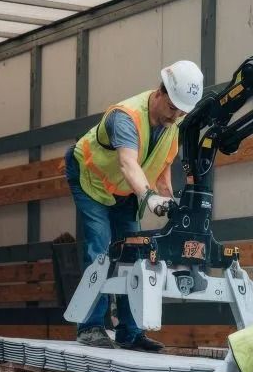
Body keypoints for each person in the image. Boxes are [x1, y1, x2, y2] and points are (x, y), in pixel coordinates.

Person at [66, 60, 204, 352]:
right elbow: (128, 164)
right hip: (92, 180)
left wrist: (173, 206)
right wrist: (149, 197)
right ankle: (90, 327)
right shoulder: (126, 117)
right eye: (172, 108)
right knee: (101, 249)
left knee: (135, 253)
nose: (176, 116)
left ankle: (130, 332)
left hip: (127, 191)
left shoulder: (173, 124)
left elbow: (162, 171)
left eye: (182, 111)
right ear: (159, 92)